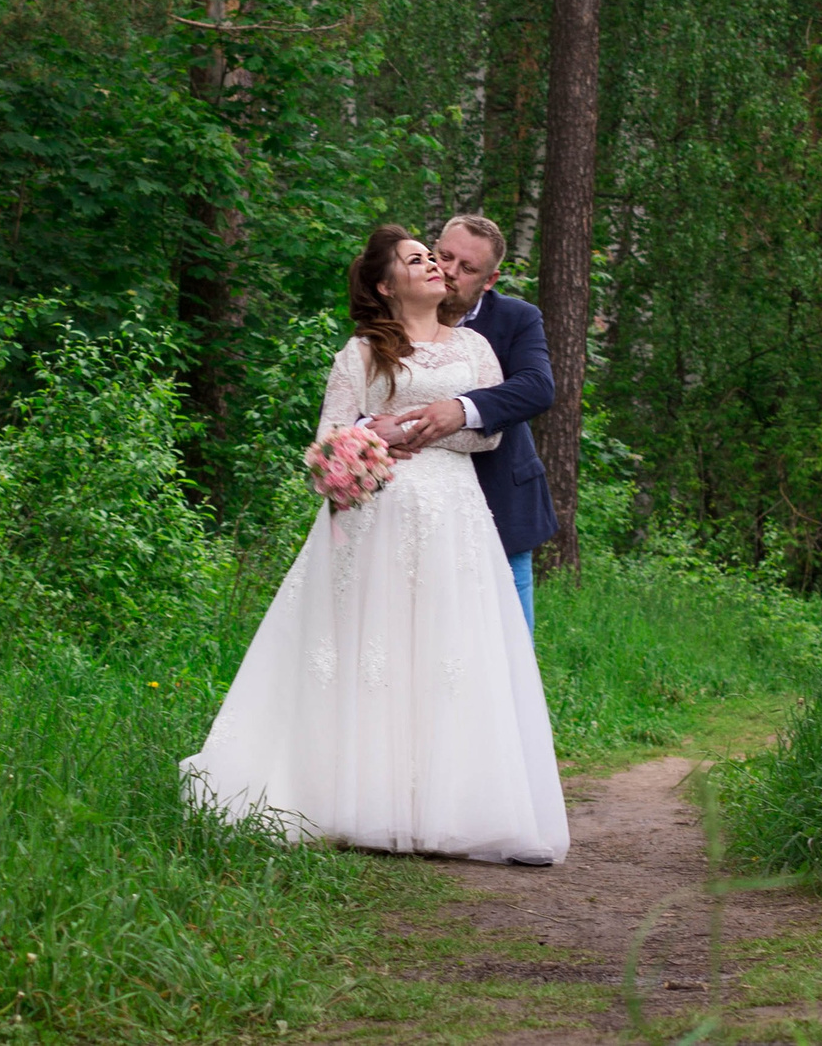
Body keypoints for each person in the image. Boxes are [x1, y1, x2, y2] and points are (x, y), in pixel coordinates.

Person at [180, 225, 568, 865]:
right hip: (376, 518)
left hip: (454, 517)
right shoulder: (361, 352)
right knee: (374, 649)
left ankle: (456, 806)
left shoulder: (474, 347)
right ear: (388, 285)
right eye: (422, 259)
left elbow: (488, 439)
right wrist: (369, 439)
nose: (436, 266)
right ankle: (360, 797)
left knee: (449, 651)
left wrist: (427, 424)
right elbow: (328, 441)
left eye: (438, 259)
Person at [368, 215, 556, 632]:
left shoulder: (517, 319)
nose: (449, 271)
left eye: (467, 268)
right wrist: (373, 432)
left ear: (489, 280)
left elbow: (537, 386)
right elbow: (366, 395)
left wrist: (462, 409)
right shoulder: (390, 314)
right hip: (408, 511)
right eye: (444, 256)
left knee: (507, 648)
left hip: (500, 500)